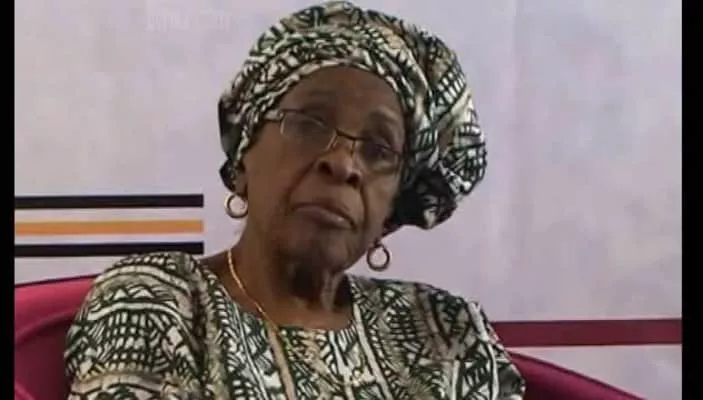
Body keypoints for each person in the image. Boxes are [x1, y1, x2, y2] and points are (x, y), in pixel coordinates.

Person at [64, 1, 525, 399]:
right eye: (309, 124)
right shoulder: (157, 302)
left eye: (378, 149)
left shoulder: (448, 331)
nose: (343, 163)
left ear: (390, 210)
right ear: (244, 157)